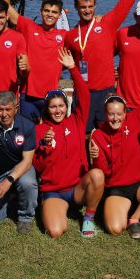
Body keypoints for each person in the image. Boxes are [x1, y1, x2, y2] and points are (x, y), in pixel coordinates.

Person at [90, 60, 140, 238]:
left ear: (125, 113)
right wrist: (95, 158)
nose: (115, 118)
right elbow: (101, 171)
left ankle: (135, 218)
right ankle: (126, 207)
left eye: (119, 113)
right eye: (111, 114)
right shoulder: (98, 135)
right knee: (115, 229)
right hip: (117, 188)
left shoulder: (133, 120)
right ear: (105, 114)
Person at [34, 48, 105, 238]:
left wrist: (73, 68)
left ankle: (88, 217)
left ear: (67, 107)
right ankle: (59, 210)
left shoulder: (76, 121)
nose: (57, 110)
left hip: (77, 189)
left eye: (61, 106)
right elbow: (39, 167)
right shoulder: (40, 130)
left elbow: (85, 95)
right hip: (54, 191)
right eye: (53, 107)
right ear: (47, 109)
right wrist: (45, 146)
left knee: (97, 175)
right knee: (56, 231)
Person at [66, 0, 139, 132]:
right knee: (82, 135)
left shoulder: (107, 23)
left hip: (105, 92)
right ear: (76, 7)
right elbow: (57, 61)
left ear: (95, 6)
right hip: (82, 93)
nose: (87, 10)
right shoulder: (70, 35)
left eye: (91, 6)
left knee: (107, 136)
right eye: (83, 7)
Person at [0, 0, 68, 121]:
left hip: (52, 97)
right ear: (41, 11)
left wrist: (97, 19)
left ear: (60, 15)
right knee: (28, 135)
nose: (50, 15)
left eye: (54, 12)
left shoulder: (64, 36)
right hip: (28, 95)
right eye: (47, 11)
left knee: (49, 138)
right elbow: (6, 8)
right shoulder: (29, 27)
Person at [0, 91, 38, 234]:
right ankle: (13, 198)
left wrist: (8, 181)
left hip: (21, 168)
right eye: (0, 110)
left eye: (8, 109)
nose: (4, 114)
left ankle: (25, 217)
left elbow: (27, 161)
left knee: (27, 183)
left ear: (16, 108)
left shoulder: (27, 125)